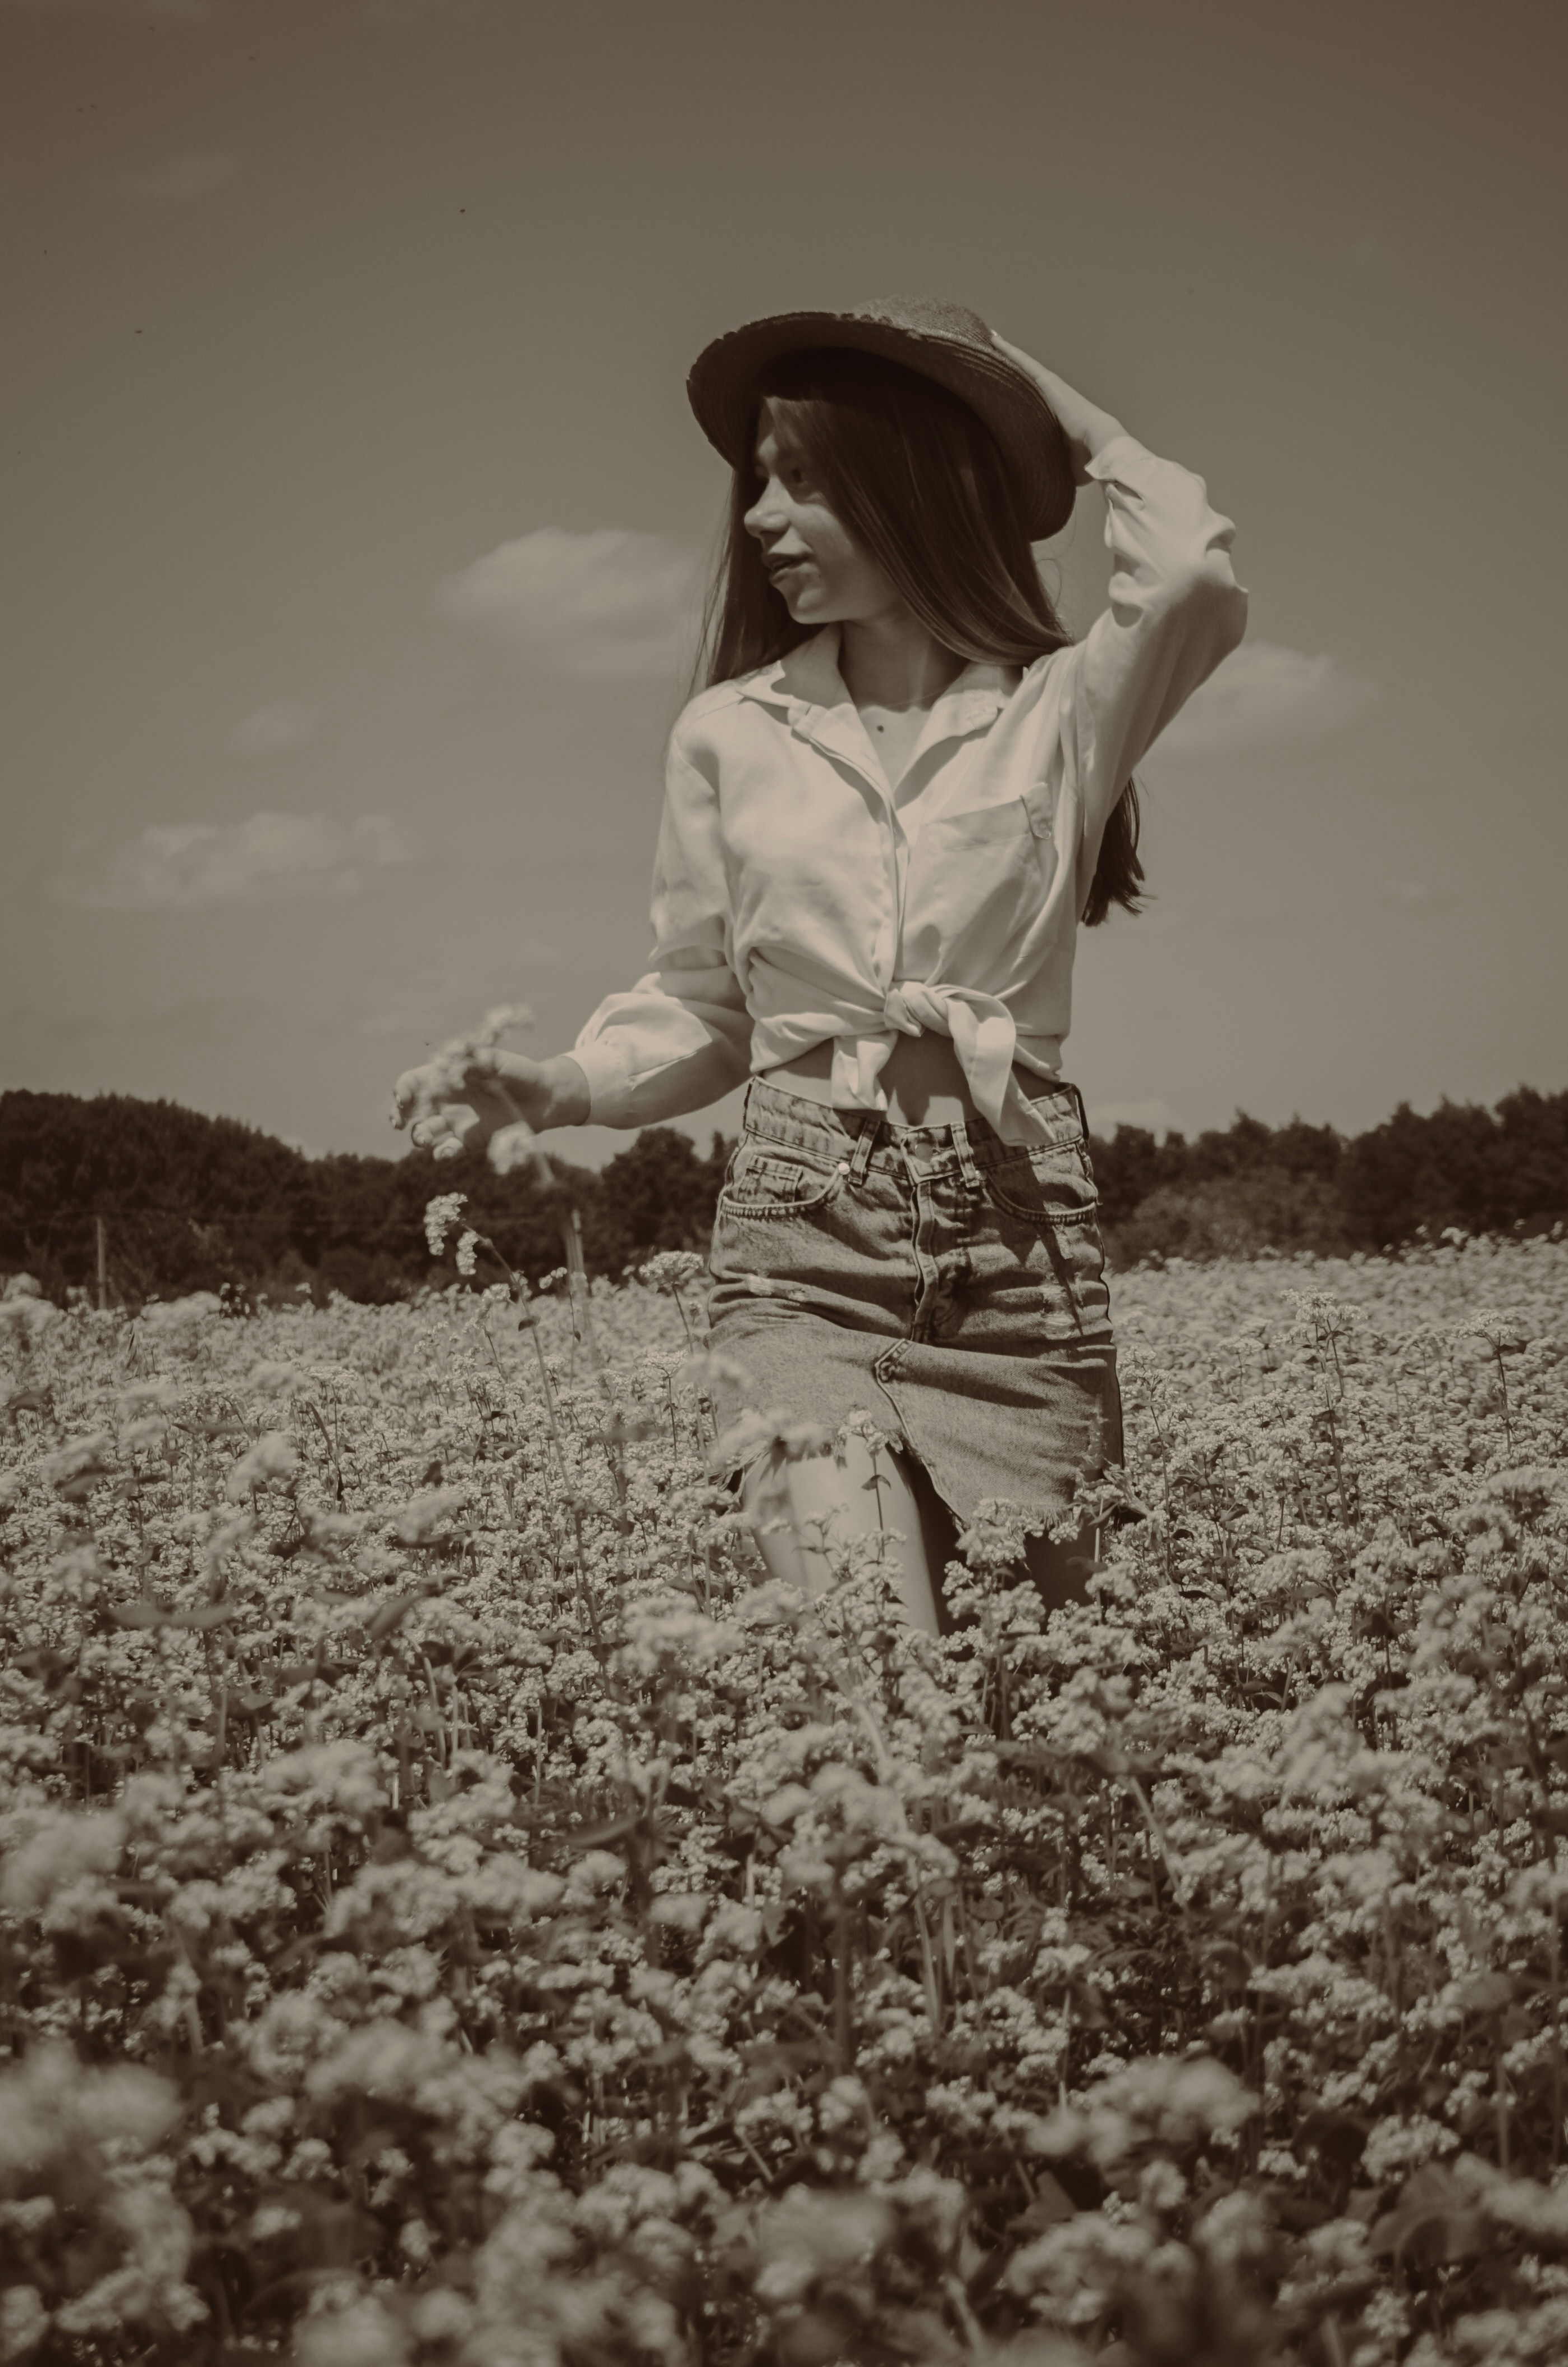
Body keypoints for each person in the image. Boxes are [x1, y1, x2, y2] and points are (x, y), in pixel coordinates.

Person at [392, 296, 1247, 1633]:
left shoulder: (1059, 712)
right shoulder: (729, 733)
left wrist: (1068, 430)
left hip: (1021, 1246)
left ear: (911, 490)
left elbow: (1192, 575)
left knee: (1047, 1692)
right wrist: (561, 1085)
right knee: (874, 1682)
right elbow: (702, 1002)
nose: (756, 519)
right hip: (805, 1240)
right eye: (757, 483)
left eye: (802, 481)